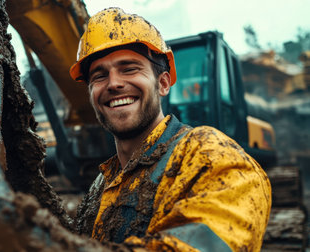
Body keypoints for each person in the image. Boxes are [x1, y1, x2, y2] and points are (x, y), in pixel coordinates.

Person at [69, 7, 272, 251]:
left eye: (129, 68)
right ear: (91, 94)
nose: (114, 84)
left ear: (163, 83)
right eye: (99, 76)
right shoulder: (100, 186)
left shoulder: (211, 155)